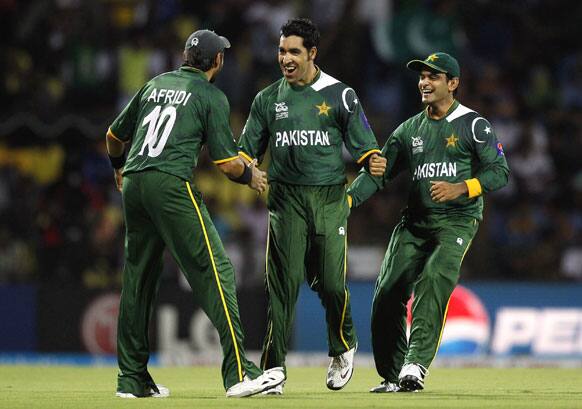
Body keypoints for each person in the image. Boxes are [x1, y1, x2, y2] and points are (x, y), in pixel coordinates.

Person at [105, 29, 284, 399]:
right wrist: (253, 176)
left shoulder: (155, 84)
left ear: (186, 56)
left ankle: (131, 378)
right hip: (170, 183)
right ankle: (238, 373)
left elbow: (113, 135)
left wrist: (119, 168)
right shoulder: (210, 95)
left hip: (135, 183)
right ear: (217, 61)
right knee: (215, 270)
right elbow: (225, 163)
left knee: (138, 279)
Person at [238, 18, 387, 395]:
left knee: (333, 285)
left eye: (293, 52)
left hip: (328, 200)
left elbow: (368, 151)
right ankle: (274, 369)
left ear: (312, 53)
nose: (285, 58)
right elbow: (245, 152)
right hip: (285, 201)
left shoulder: (340, 95)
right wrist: (247, 171)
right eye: (281, 51)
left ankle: (343, 345)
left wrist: (369, 168)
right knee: (281, 287)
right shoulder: (267, 99)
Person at [347, 52, 510, 392]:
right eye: (422, 76)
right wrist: (347, 200)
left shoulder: (473, 125)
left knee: (434, 279)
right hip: (415, 223)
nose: (424, 81)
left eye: (434, 76)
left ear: (453, 83)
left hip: (458, 222)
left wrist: (462, 188)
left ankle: (415, 365)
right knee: (387, 293)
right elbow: (378, 173)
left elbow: (499, 171)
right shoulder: (409, 130)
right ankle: (392, 377)